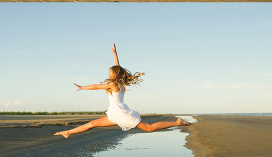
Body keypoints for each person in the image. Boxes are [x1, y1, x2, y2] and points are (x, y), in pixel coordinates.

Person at [54, 44, 190, 138]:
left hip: (121, 113)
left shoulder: (113, 84)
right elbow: (117, 67)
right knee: (92, 124)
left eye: (110, 72)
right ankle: (68, 132)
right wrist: (115, 54)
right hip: (116, 113)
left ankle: (177, 122)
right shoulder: (119, 82)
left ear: (114, 74)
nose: (108, 74)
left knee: (149, 128)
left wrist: (82, 87)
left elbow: (96, 86)